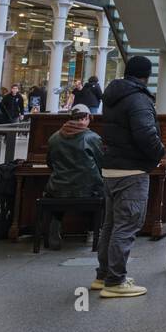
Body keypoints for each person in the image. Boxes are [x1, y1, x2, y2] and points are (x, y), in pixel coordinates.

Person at [92, 55, 165, 299]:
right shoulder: (138, 98)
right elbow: (145, 133)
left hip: (111, 167)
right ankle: (115, 281)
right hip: (132, 170)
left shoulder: (113, 96)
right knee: (126, 225)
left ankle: (103, 275)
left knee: (110, 225)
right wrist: (159, 153)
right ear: (147, 75)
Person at [43, 104, 105, 250]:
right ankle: (93, 231)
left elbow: (49, 163)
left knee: (55, 194)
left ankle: (54, 229)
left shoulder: (54, 137)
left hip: (58, 188)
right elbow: (101, 163)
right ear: (85, 118)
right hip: (88, 190)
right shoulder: (92, 137)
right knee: (104, 192)